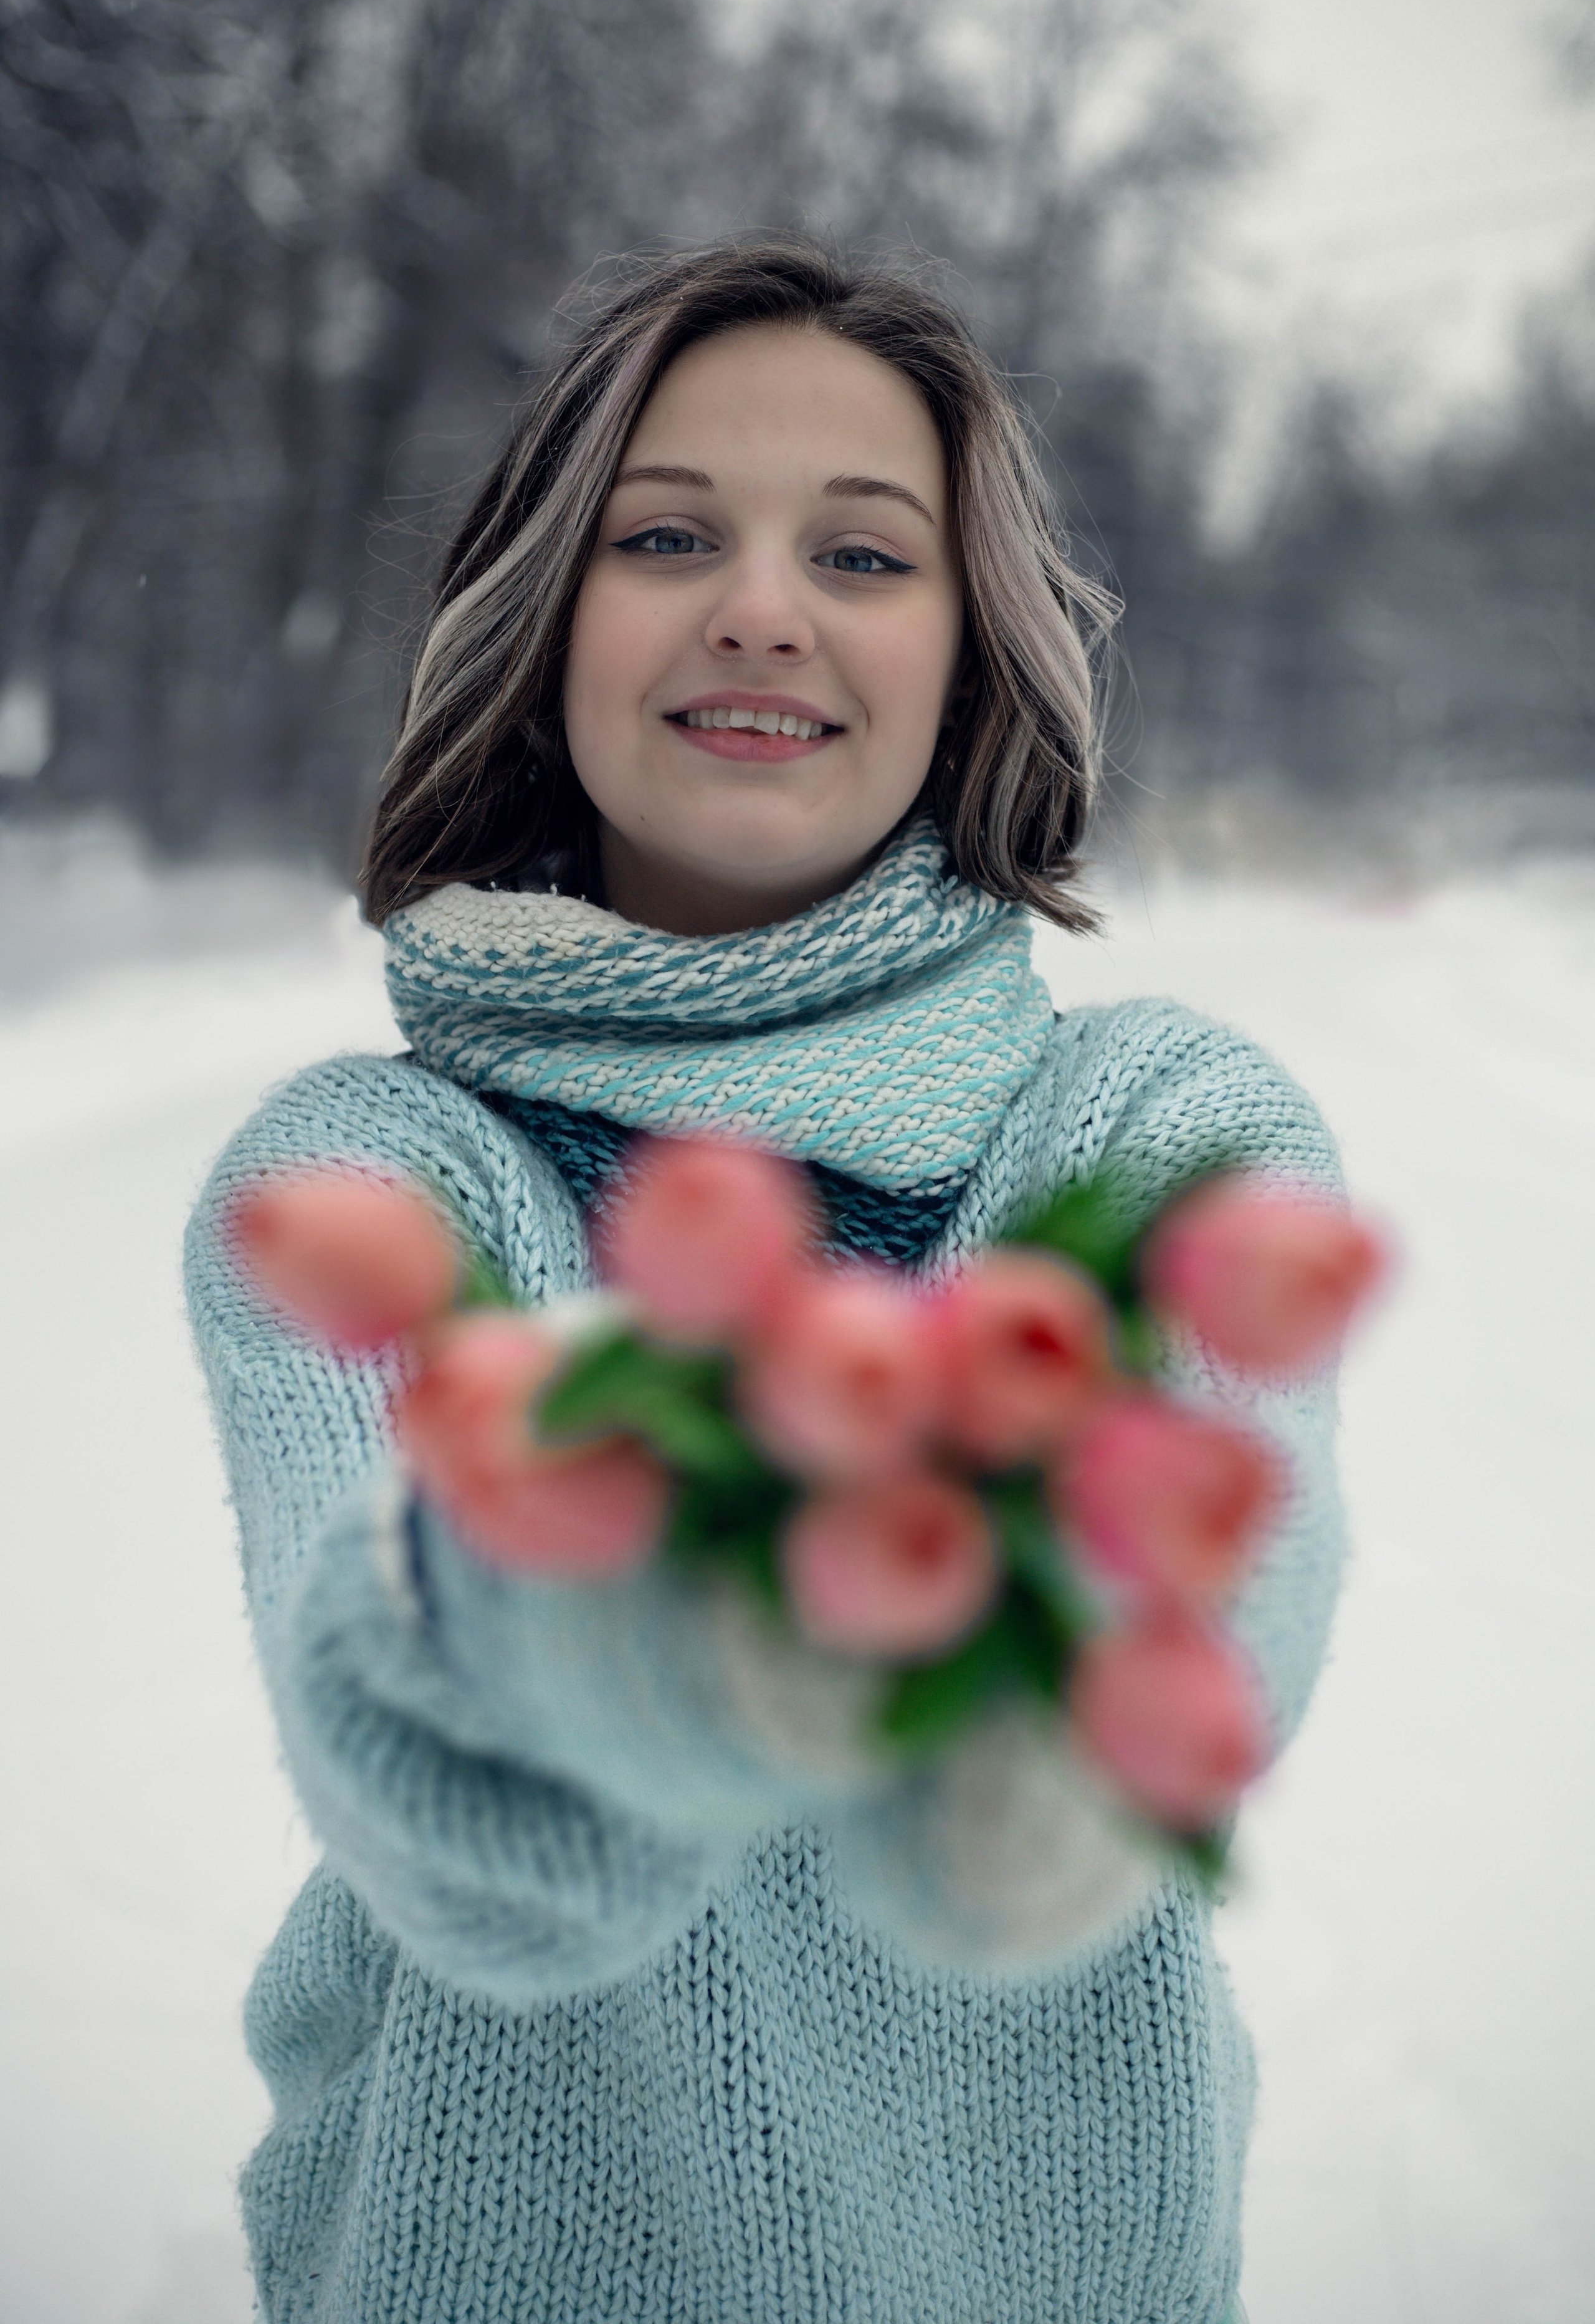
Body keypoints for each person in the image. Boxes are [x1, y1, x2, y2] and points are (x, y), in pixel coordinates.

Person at [186, 235, 1340, 2322]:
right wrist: (670, 1628)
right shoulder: (368, 1185)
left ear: (974, 661)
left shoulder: (1156, 1129)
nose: (761, 604)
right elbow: (458, 1810)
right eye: (667, 533)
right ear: (545, 622)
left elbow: (1214, 1589)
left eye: (868, 556)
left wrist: (1065, 1687)